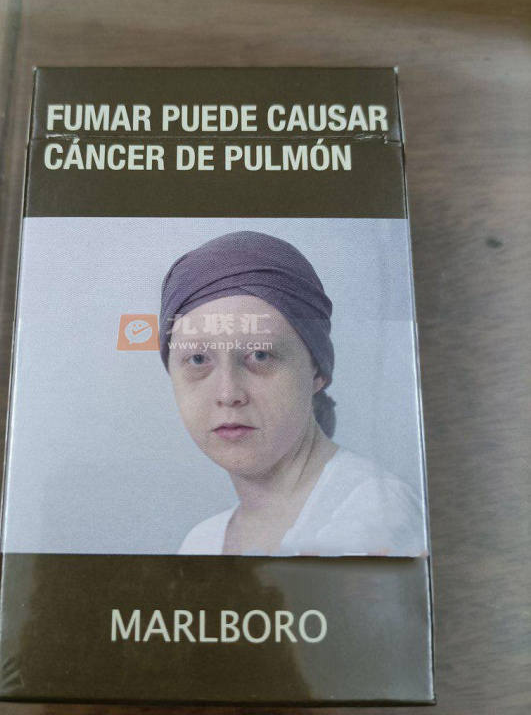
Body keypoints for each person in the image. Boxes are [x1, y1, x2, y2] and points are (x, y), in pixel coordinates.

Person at [159, 230, 426, 557]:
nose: (228, 394)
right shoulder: (202, 542)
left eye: (260, 355)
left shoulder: (374, 518)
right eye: (198, 360)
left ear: (317, 370)